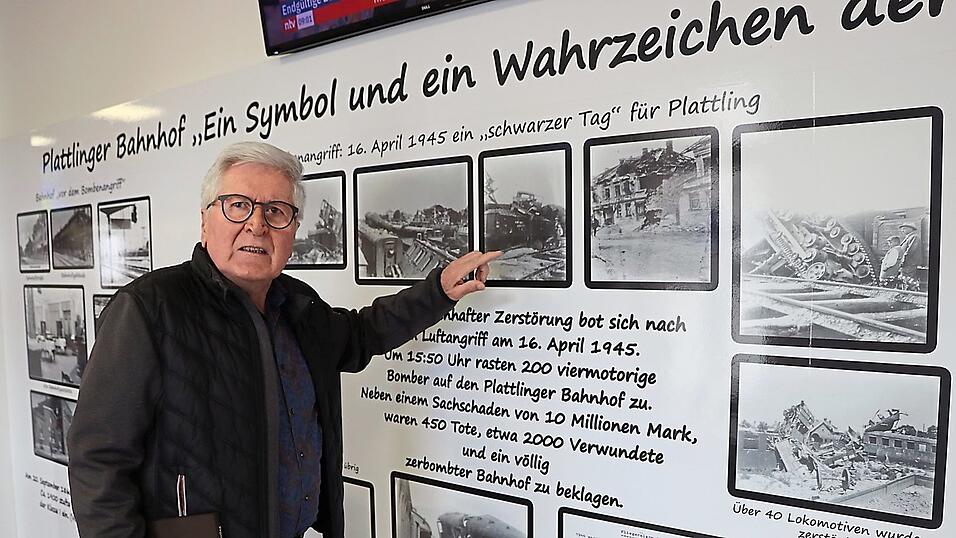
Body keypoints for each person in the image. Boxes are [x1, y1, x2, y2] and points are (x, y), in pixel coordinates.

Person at [67, 142, 500, 538]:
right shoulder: (149, 309)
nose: (256, 224)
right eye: (238, 205)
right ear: (205, 221)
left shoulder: (298, 305)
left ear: (292, 230)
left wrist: (438, 292)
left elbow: (361, 334)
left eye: (275, 211)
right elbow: (98, 462)